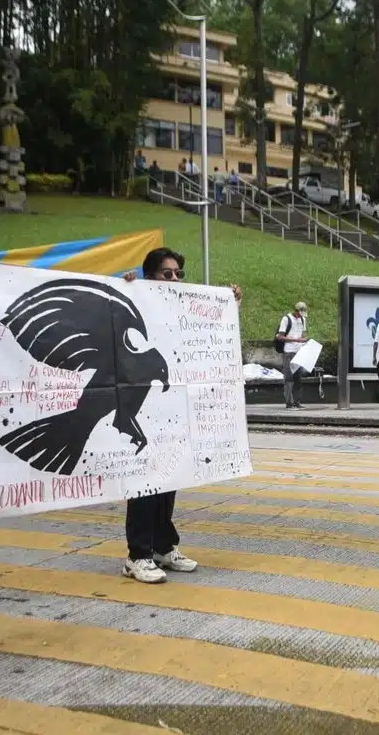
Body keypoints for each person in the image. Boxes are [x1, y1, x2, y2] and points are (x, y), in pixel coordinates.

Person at [121, 247, 242, 583]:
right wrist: (127, 286)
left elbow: (211, 334)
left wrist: (229, 303)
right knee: (144, 482)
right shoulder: (135, 302)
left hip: (174, 411)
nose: (174, 279)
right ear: (149, 276)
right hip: (142, 411)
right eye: (167, 273)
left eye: (178, 274)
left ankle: (163, 547)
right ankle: (137, 555)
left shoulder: (182, 309)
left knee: (169, 479)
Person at [275, 302, 309, 409]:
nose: (300, 316)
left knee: (298, 377)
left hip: (299, 351)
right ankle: (289, 402)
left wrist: (304, 341)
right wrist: (295, 340)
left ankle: (297, 401)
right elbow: (280, 336)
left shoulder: (303, 319)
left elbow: (303, 334)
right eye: (299, 313)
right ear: (296, 310)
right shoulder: (286, 319)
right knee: (289, 378)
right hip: (289, 351)